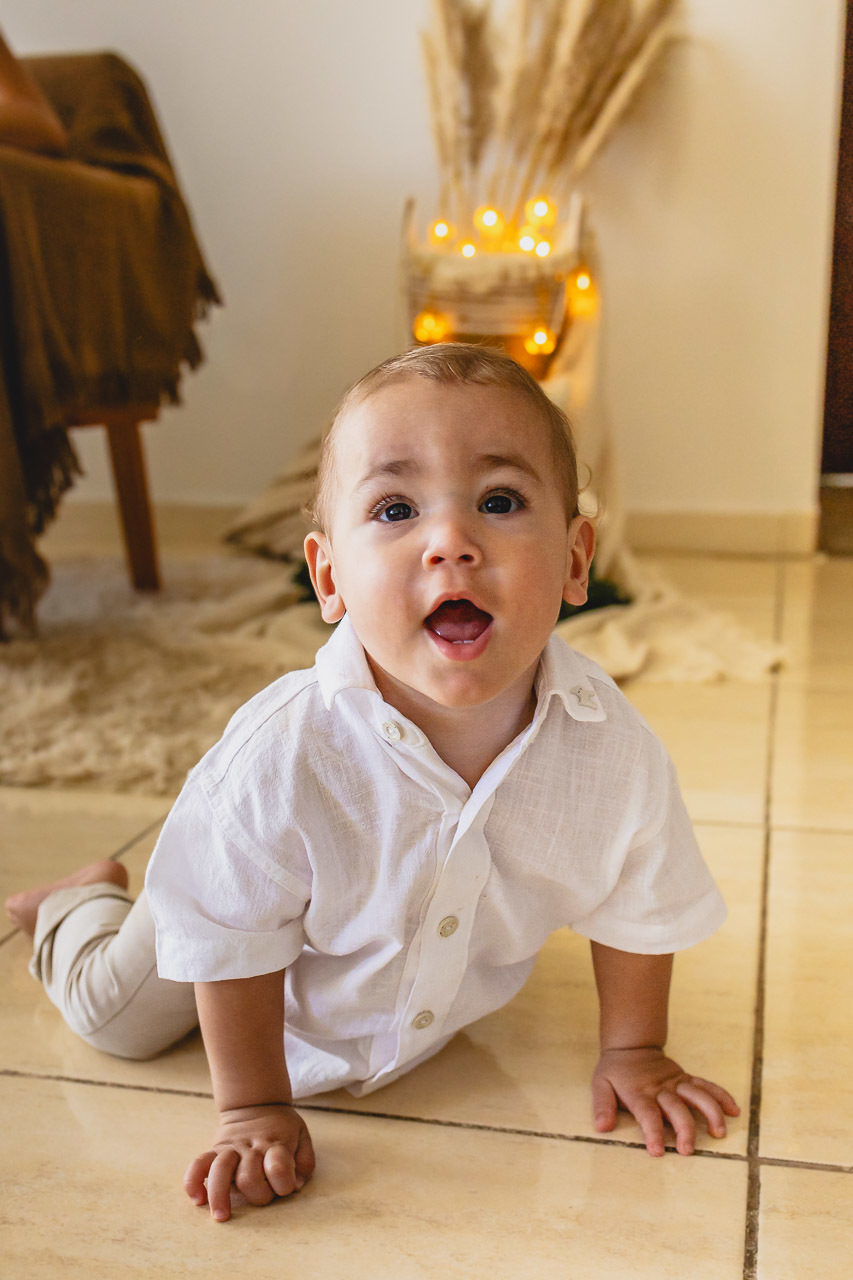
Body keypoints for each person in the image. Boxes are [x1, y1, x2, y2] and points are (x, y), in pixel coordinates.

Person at [6, 343, 740, 1223]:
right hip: (226, 890)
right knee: (116, 1022)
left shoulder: (609, 749)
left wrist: (635, 1048)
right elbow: (231, 930)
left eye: (499, 501)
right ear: (329, 578)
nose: (450, 544)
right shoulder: (285, 757)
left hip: (336, 933)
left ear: (577, 559)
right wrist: (252, 1108)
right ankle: (75, 904)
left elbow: (638, 897)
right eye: (395, 509)